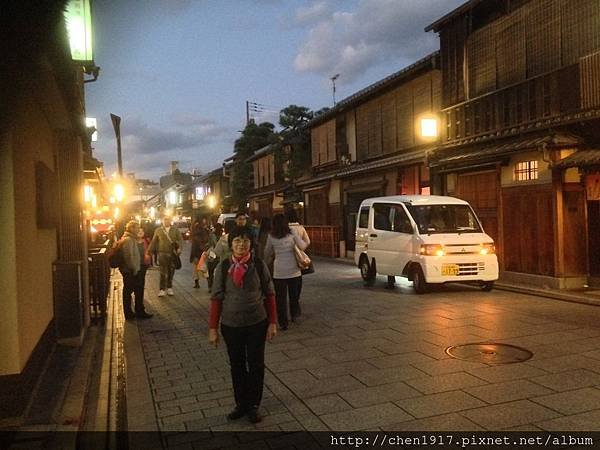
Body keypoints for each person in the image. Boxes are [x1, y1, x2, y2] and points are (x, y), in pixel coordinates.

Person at [208, 226, 277, 424]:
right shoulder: (223, 267)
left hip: (257, 322)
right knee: (236, 365)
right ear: (231, 244)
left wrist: (272, 322)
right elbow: (216, 298)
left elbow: (270, 293)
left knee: (256, 364)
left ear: (250, 244)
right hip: (231, 324)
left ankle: (253, 405)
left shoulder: (258, 264)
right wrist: (213, 328)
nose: (241, 244)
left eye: (245, 241)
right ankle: (241, 403)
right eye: (237, 240)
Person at [264, 214, 308, 330]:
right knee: (294, 296)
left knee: (280, 298)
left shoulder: (271, 236)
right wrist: (295, 236)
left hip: (279, 271)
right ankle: (294, 315)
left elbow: (267, 254)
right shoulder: (291, 233)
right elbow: (303, 246)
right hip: (294, 270)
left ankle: (283, 322)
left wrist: (267, 264)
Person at [118, 221, 152, 320]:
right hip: (130, 271)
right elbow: (129, 257)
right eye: (137, 227)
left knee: (133, 290)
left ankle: (136, 311)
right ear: (132, 228)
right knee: (129, 291)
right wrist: (135, 269)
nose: (138, 229)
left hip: (131, 270)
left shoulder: (130, 238)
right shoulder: (128, 240)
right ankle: (130, 313)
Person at [147, 216, 183, 297]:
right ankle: (162, 289)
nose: (166, 221)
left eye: (168, 220)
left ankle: (169, 287)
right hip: (162, 253)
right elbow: (154, 241)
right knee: (162, 272)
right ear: (163, 221)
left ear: (170, 221)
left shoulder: (175, 230)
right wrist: (149, 251)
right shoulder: (158, 230)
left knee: (171, 271)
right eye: (165, 220)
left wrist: (180, 248)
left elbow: (180, 239)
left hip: (172, 254)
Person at [134, 226, 153, 318]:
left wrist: (148, 262)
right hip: (137, 267)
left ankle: (140, 308)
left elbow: (148, 252)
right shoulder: (133, 242)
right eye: (139, 231)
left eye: (142, 231)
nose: (141, 232)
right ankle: (139, 310)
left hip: (143, 266)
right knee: (138, 288)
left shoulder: (145, 241)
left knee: (140, 288)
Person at [190, 218, 210, 288]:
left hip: (197, 252)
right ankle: (209, 283)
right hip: (203, 252)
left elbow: (194, 246)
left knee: (197, 269)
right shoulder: (205, 231)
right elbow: (207, 241)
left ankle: (197, 283)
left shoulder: (194, 233)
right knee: (204, 268)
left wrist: (192, 256)